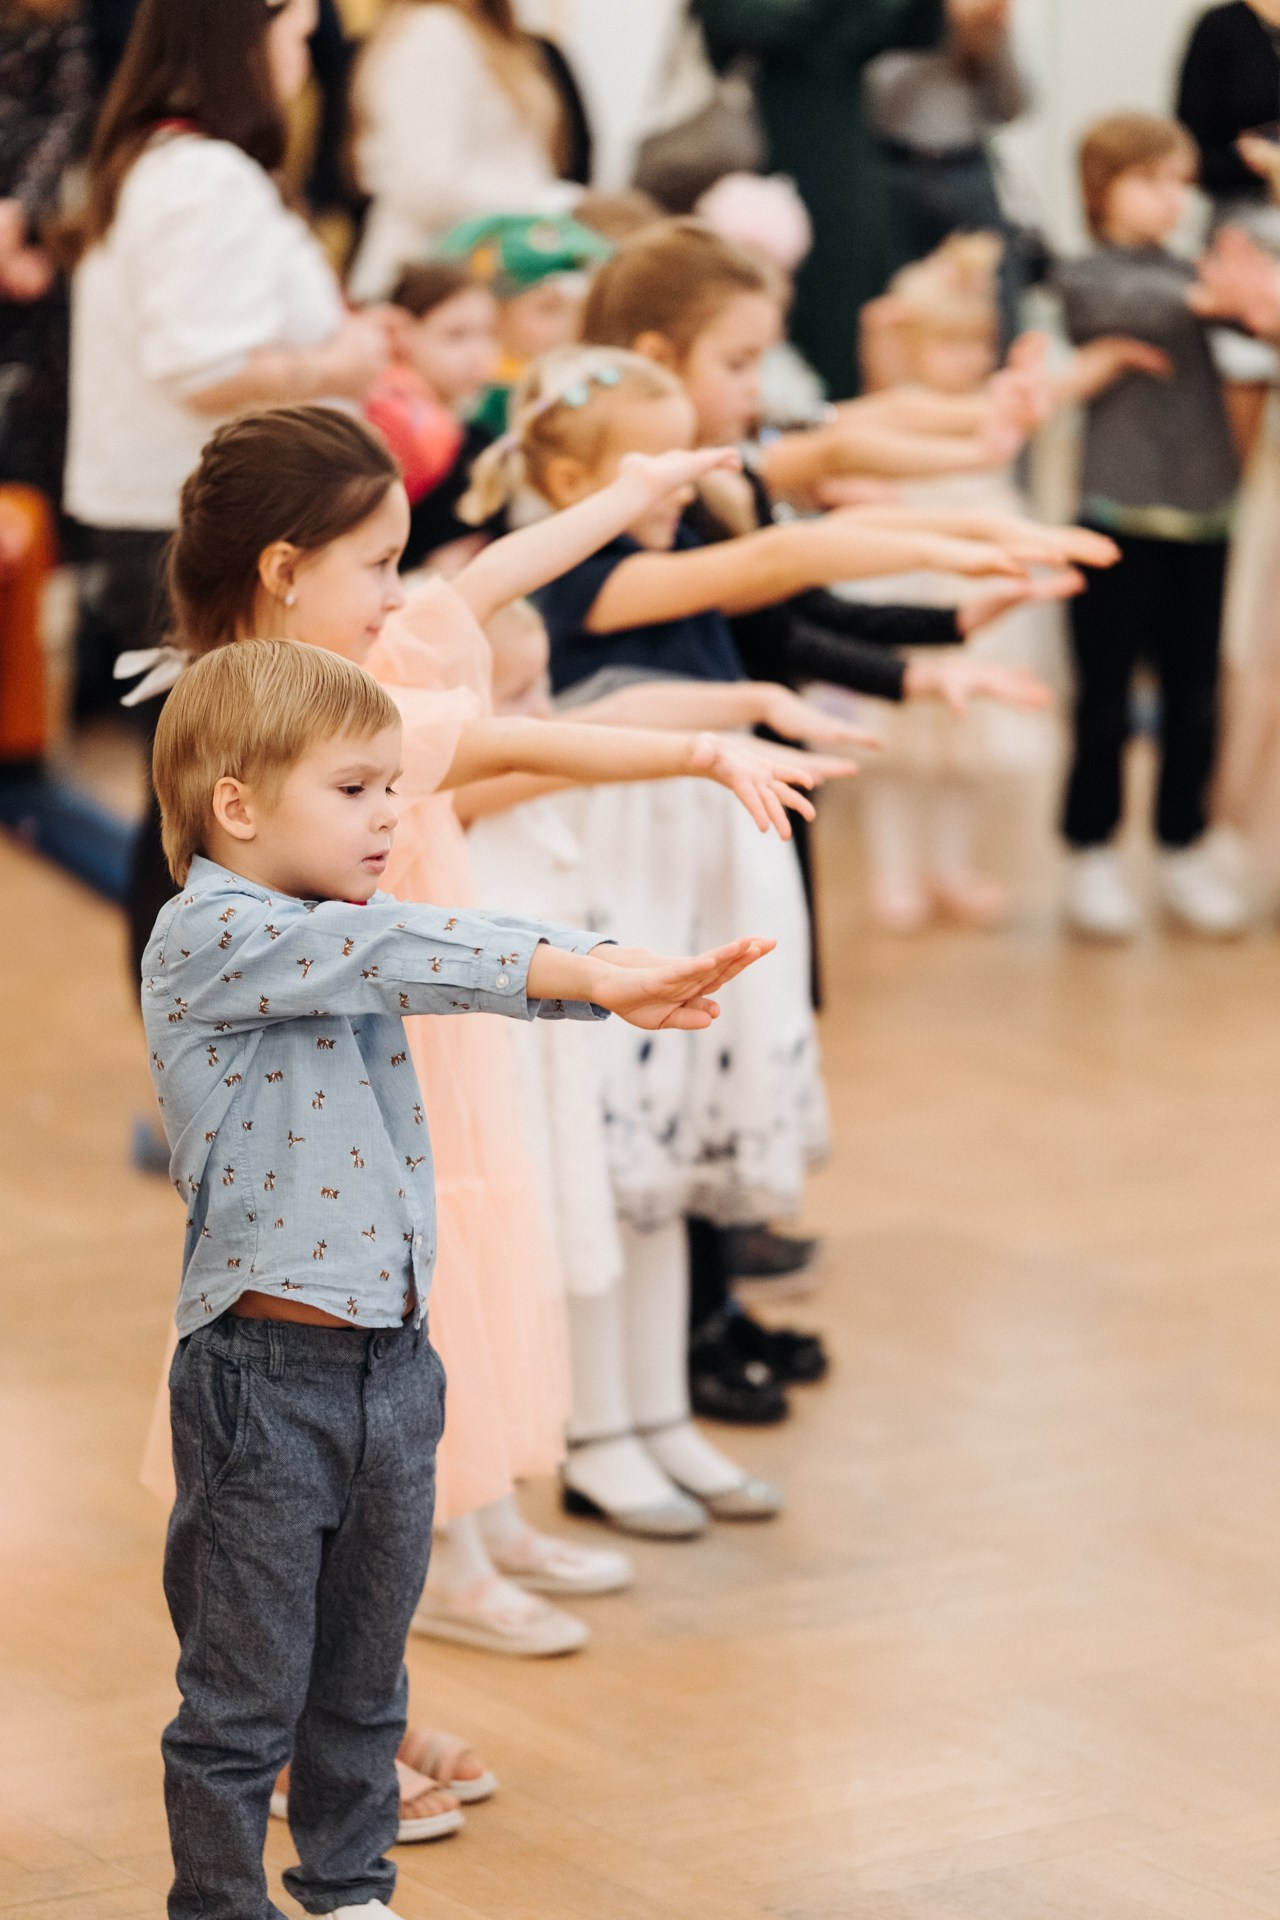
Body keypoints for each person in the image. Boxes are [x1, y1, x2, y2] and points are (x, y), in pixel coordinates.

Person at [145, 633, 772, 1920]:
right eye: (356, 789)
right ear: (238, 804)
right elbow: (409, 953)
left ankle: (350, 1890)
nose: (390, 816)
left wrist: (597, 972)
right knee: (240, 1699)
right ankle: (218, 1906)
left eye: (393, 788)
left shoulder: (342, 921)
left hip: (391, 1368)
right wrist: (591, 973)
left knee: (367, 1680)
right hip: (264, 1385)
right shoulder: (211, 934)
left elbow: (439, 941)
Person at [63, 0, 389, 718]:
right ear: (247, 39)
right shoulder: (202, 179)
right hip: (187, 529)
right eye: (297, 38)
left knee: (204, 797)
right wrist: (339, 364)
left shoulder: (182, 165)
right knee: (219, 797)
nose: (303, 66)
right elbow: (206, 368)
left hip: (177, 521)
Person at [1055, 113, 1248, 940]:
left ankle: (1183, 845)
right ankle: (1089, 847)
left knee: (1195, 697)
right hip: (1117, 517)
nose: (1174, 198)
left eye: (1182, 183)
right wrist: (1211, 295)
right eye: (1153, 181)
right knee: (1103, 698)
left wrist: (1239, 296)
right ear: (1103, 188)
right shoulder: (1089, 275)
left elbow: (1245, 311)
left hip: (1204, 517)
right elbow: (1116, 306)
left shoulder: (1202, 271)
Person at [694, 0, 945, 399]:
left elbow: (914, 30)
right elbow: (736, 26)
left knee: (845, 322)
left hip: (842, 164)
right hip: (761, 157)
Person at [348, 0, 585, 302]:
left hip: (483, 276)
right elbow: (427, 183)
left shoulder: (485, 30)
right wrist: (547, 202)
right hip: (433, 285)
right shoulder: (430, 33)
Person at [865, 0, 1029, 345]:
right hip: (897, 170)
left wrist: (987, 40)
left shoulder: (984, 15)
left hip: (966, 171)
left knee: (996, 299)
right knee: (895, 297)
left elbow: (1012, 107)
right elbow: (874, 104)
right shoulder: (886, 16)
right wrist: (930, 22)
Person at [0, 0, 94, 508]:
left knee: (35, 417)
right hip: (12, 248)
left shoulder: (63, 25)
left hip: (39, 238)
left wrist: (18, 217)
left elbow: (71, 119)